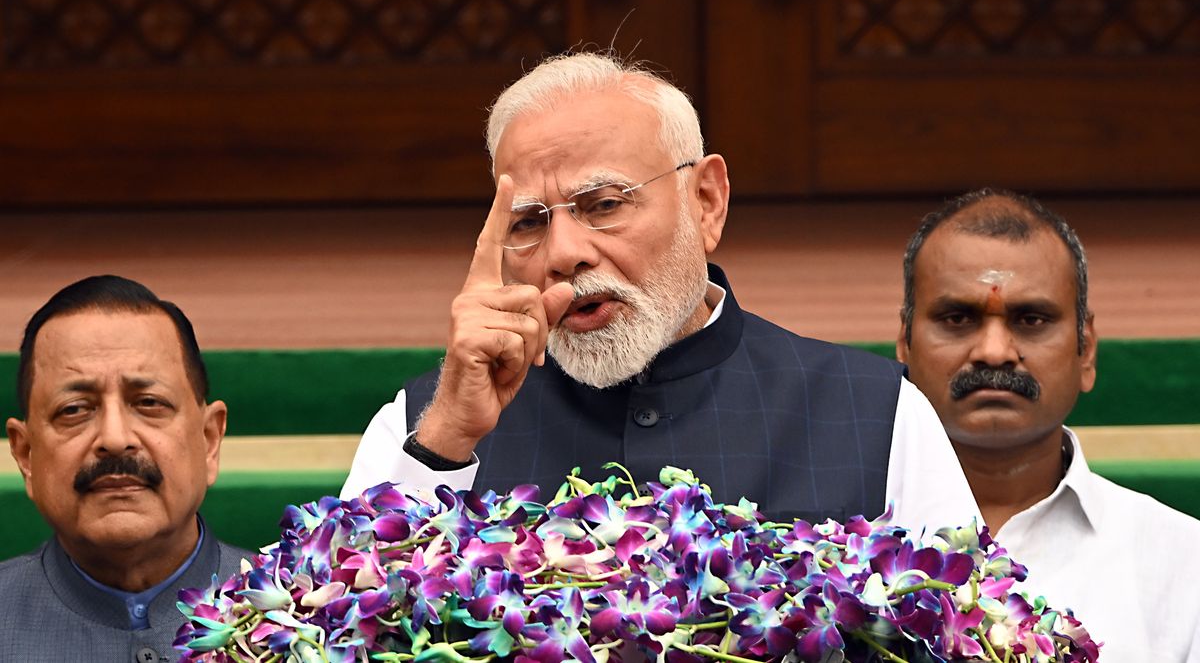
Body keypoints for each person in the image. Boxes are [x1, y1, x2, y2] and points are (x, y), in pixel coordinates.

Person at [340, 51, 976, 531]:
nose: (563, 254)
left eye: (604, 204)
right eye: (530, 222)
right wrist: (448, 439)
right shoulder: (421, 422)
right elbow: (336, 630)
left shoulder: (876, 415)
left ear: (705, 202)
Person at [897, 188, 1200, 661]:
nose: (994, 351)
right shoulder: (837, 547)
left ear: (1087, 350)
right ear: (904, 346)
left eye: (1032, 319)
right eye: (957, 318)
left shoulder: (1184, 562)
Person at [0, 276, 247, 662]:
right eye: (74, 410)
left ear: (209, 440)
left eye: (148, 402)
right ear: (27, 455)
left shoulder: (309, 616)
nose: (114, 439)